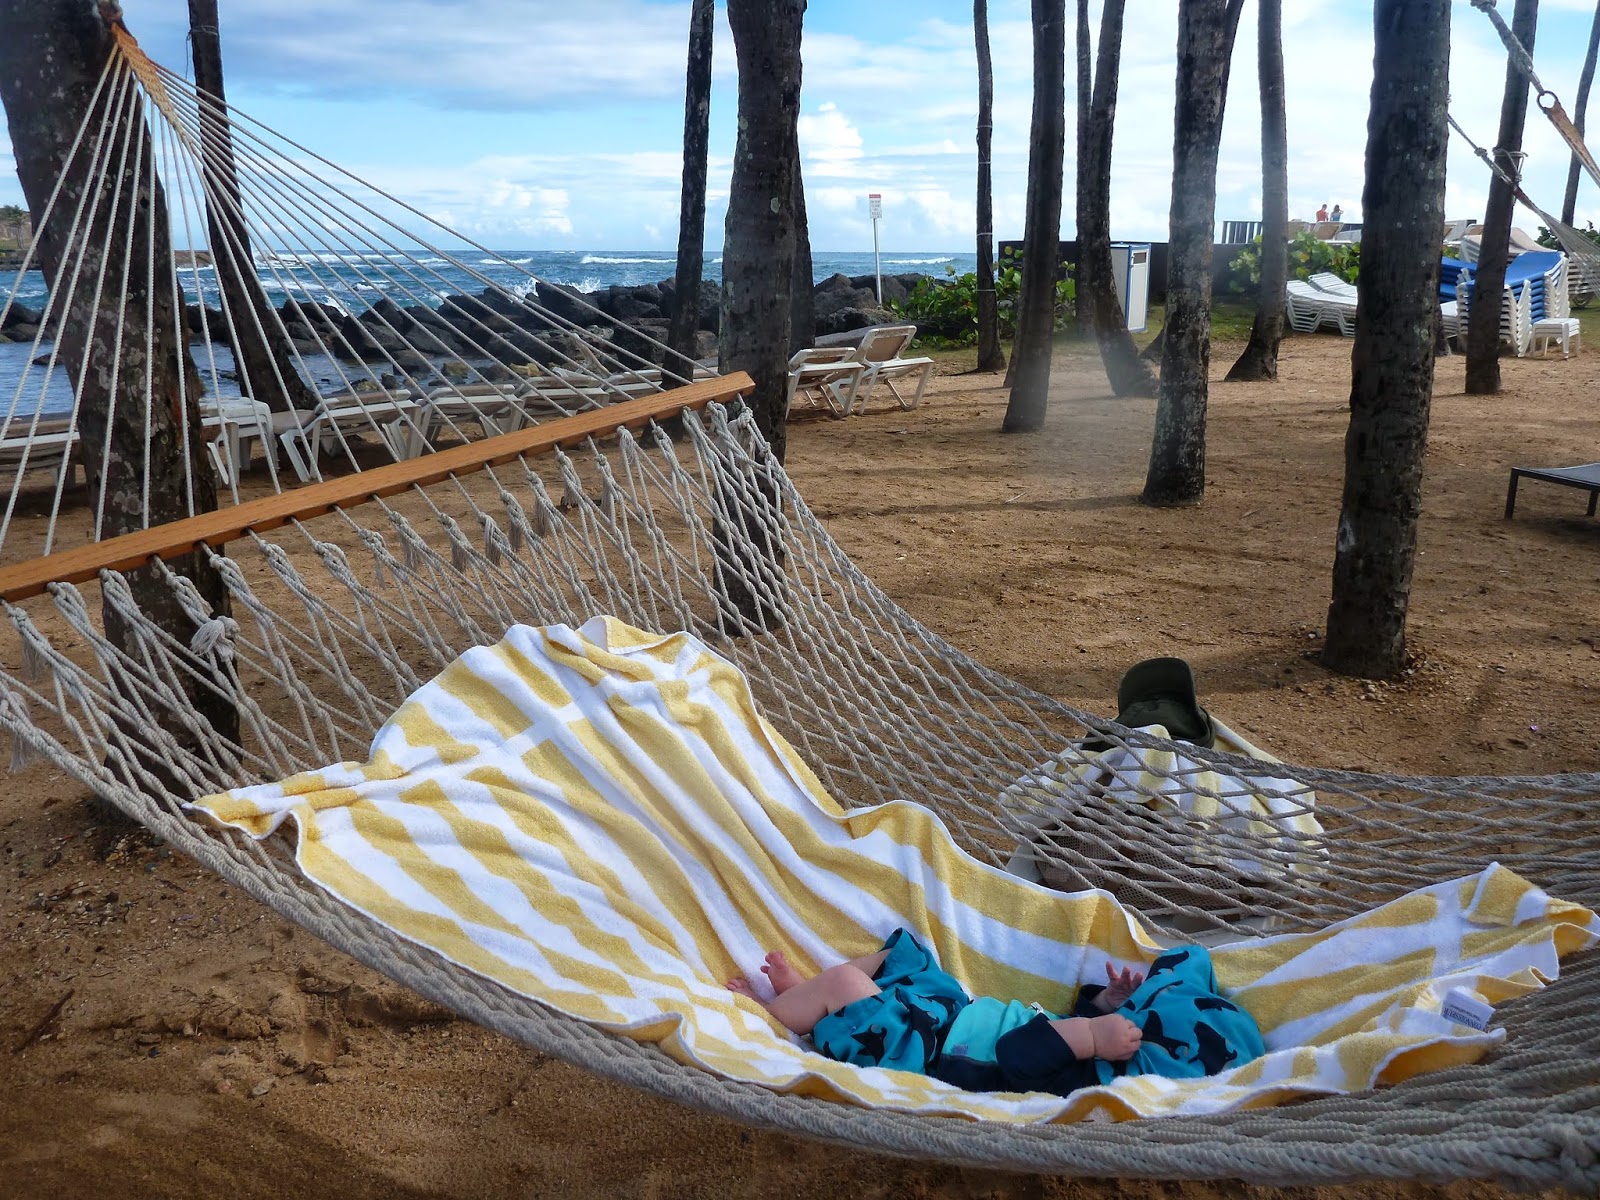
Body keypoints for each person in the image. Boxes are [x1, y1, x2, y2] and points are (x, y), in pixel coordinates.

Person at [727, 928, 1265, 1097]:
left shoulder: (1096, 1083)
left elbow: (1018, 1055)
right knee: (908, 955)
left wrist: (1095, 1036)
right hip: (953, 1012)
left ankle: (781, 1013)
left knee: (848, 983)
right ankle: (813, 1001)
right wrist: (1103, 1006)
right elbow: (1058, 1023)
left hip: (922, 1055)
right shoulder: (1116, 1043)